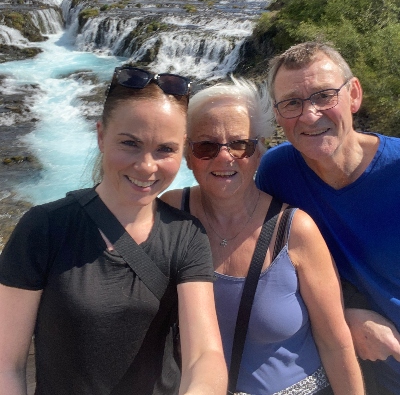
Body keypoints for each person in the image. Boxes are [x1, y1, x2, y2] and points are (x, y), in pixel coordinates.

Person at [0, 65, 227, 395]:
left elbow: (204, 357)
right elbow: (7, 363)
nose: (146, 166)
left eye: (165, 149)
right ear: (101, 136)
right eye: (130, 143)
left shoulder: (187, 236)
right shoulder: (43, 229)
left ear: (182, 149)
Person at [162, 77, 364, 395]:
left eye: (240, 144)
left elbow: (336, 344)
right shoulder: (169, 213)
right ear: (188, 154)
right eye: (206, 146)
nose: (224, 157)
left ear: (259, 153)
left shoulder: (295, 231)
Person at [255, 41, 400, 395]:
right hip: (344, 370)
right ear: (277, 115)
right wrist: (348, 311)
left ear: (353, 95)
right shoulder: (276, 172)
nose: (309, 115)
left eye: (324, 96)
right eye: (292, 103)